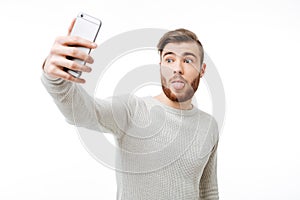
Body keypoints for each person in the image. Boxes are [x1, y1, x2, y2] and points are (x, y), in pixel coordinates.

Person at [41, 19, 219, 200]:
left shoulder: (208, 125)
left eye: (188, 60)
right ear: (160, 66)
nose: (177, 69)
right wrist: (55, 79)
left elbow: (208, 191)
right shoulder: (132, 110)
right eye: (169, 59)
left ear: (202, 70)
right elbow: (84, 113)